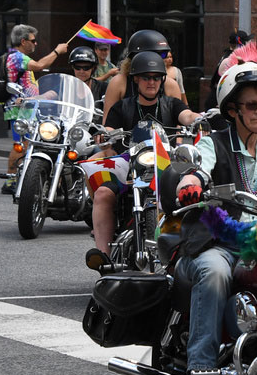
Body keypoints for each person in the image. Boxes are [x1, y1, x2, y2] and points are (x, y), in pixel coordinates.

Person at [172, 63, 257, 375]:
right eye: (252, 105)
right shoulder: (215, 144)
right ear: (233, 109)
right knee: (214, 272)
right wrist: (190, 183)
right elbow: (197, 169)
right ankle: (202, 366)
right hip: (219, 242)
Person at [84, 50, 200, 270]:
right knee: (102, 194)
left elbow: (186, 115)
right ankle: (104, 257)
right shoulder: (123, 106)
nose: (151, 82)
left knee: (191, 191)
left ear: (162, 80)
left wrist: (198, 118)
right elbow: (109, 127)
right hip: (130, 168)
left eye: (156, 77)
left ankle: (191, 252)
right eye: (146, 77)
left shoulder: (171, 104)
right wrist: (104, 134)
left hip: (166, 168)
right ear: (135, 79)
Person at [3, 24, 67, 188]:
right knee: (21, 145)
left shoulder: (21, 58)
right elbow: (40, 66)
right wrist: (57, 51)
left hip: (28, 108)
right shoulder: (17, 57)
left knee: (27, 144)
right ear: (23, 41)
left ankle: (20, 178)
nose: (35, 43)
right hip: (20, 109)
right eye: (33, 40)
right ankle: (11, 181)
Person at [101, 30, 183, 123]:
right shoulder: (119, 82)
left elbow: (181, 121)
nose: (151, 82)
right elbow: (107, 123)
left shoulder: (170, 85)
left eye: (162, 55)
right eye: (145, 78)